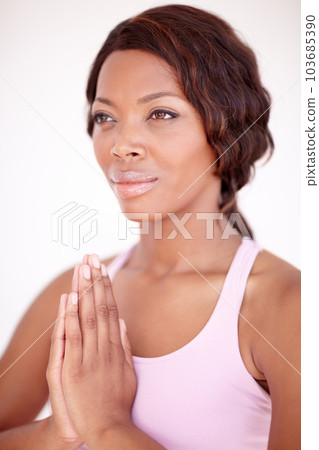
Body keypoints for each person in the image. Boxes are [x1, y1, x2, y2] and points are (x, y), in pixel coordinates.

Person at [0, 4, 300, 449]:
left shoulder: (285, 307)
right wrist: (58, 430)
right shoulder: (75, 295)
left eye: (160, 113)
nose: (121, 146)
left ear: (227, 128)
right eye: (106, 117)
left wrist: (106, 426)